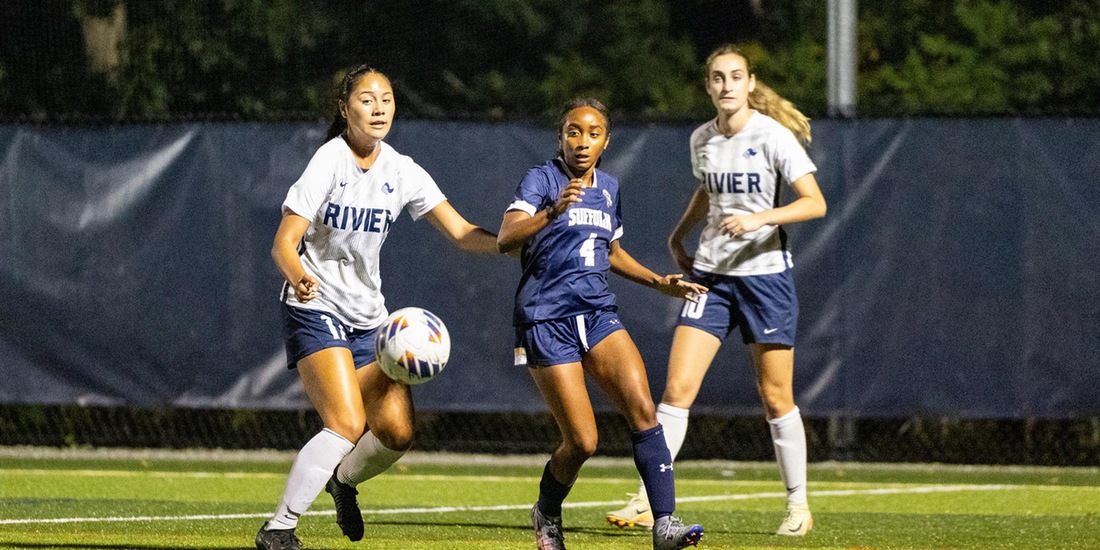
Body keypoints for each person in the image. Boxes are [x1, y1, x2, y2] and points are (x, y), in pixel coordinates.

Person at [256, 64, 503, 550]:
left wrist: (516, 242)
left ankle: (342, 482)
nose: (378, 108)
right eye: (367, 99)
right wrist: (300, 276)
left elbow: (460, 232)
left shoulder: (402, 169)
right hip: (316, 305)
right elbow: (284, 243)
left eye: (386, 99)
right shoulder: (329, 161)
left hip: (368, 317)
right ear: (345, 109)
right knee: (346, 423)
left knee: (396, 432)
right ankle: (279, 529)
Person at [605, 45, 827, 537]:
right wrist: (677, 236)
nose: (726, 86)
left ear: (750, 83)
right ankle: (648, 497)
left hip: (765, 279)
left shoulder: (773, 137)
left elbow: (815, 203)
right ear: (708, 86)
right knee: (677, 391)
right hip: (709, 278)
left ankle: (797, 505)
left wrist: (758, 218)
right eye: (717, 78)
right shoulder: (702, 138)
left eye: (735, 77)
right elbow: (707, 189)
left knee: (775, 398)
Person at [497, 97, 708, 550]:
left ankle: (665, 525)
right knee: (582, 442)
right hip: (546, 319)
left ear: (606, 142)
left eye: (593, 133)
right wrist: (550, 211)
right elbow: (505, 238)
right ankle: (546, 511)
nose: (582, 141)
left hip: (598, 314)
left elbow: (610, 253)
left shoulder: (609, 186)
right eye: (574, 131)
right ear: (561, 137)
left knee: (645, 411)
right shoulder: (541, 179)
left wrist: (659, 282)